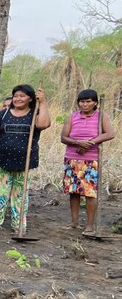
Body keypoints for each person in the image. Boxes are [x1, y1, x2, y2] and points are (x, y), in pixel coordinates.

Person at [0, 85, 51, 232]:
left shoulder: (35, 113)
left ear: (30, 98)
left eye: (22, 96)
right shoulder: (3, 114)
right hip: (2, 160)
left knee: (20, 195)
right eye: (15, 96)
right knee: (0, 192)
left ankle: (18, 225)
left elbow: (44, 124)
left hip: (25, 162)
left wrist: (43, 102)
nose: (18, 99)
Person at [60, 89, 115, 234]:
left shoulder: (101, 116)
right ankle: (74, 222)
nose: (85, 104)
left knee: (90, 193)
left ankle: (90, 226)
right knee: (74, 192)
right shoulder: (72, 117)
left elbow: (109, 133)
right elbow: (64, 137)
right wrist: (78, 142)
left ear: (95, 103)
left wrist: (90, 143)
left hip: (91, 160)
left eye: (88, 101)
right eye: (82, 101)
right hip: (72, 158)